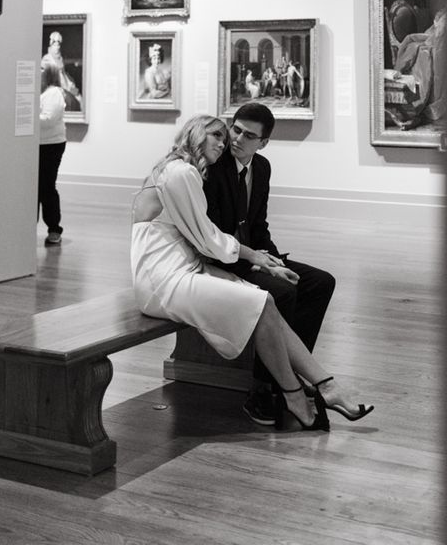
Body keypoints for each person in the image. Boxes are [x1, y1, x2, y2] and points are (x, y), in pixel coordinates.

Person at [130, 114, 372, 431]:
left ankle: (325, 385)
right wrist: (259, 258)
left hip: (182, 267)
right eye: (217, 135)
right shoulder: (181, 173)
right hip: (162, 280)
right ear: (195, 135)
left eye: (223, 135)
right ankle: (294, 393)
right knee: (265, 302)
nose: (226, 141)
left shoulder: (183, 169)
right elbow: (208, 238)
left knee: (264, 298)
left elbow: (243, 228)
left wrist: (266, 257)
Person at [205, 101, 336, 425]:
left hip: (253, 253)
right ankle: (264, 388)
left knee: (320, 282)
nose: (236, 139)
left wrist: (273, 259)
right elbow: (213, 237)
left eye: (249, 135)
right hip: (222, 259)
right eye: (235, 129)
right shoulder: (214, 168)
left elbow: (258, 225)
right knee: (281, 292)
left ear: (263, 143)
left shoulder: (260, 168)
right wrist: (259, 265)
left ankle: (291, 370)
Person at [38, 62, 66, 246]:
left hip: (51, 145)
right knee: (31, 188)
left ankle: (54, 229)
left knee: (47, 187)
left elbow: (47, 120)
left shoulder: (54, 93)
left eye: (41, 69)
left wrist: (26, 114)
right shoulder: (40, 92)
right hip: (37, 144)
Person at [41, 31, 82, 112]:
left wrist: (73, 89)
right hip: (56, 88)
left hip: (67, 86)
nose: (57, 47)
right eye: (55, 44)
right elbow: (45, 80)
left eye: (58, 44)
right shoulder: (46, 60)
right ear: (51, 44)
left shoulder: (60, 59)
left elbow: (64, 78)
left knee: (80, 98)